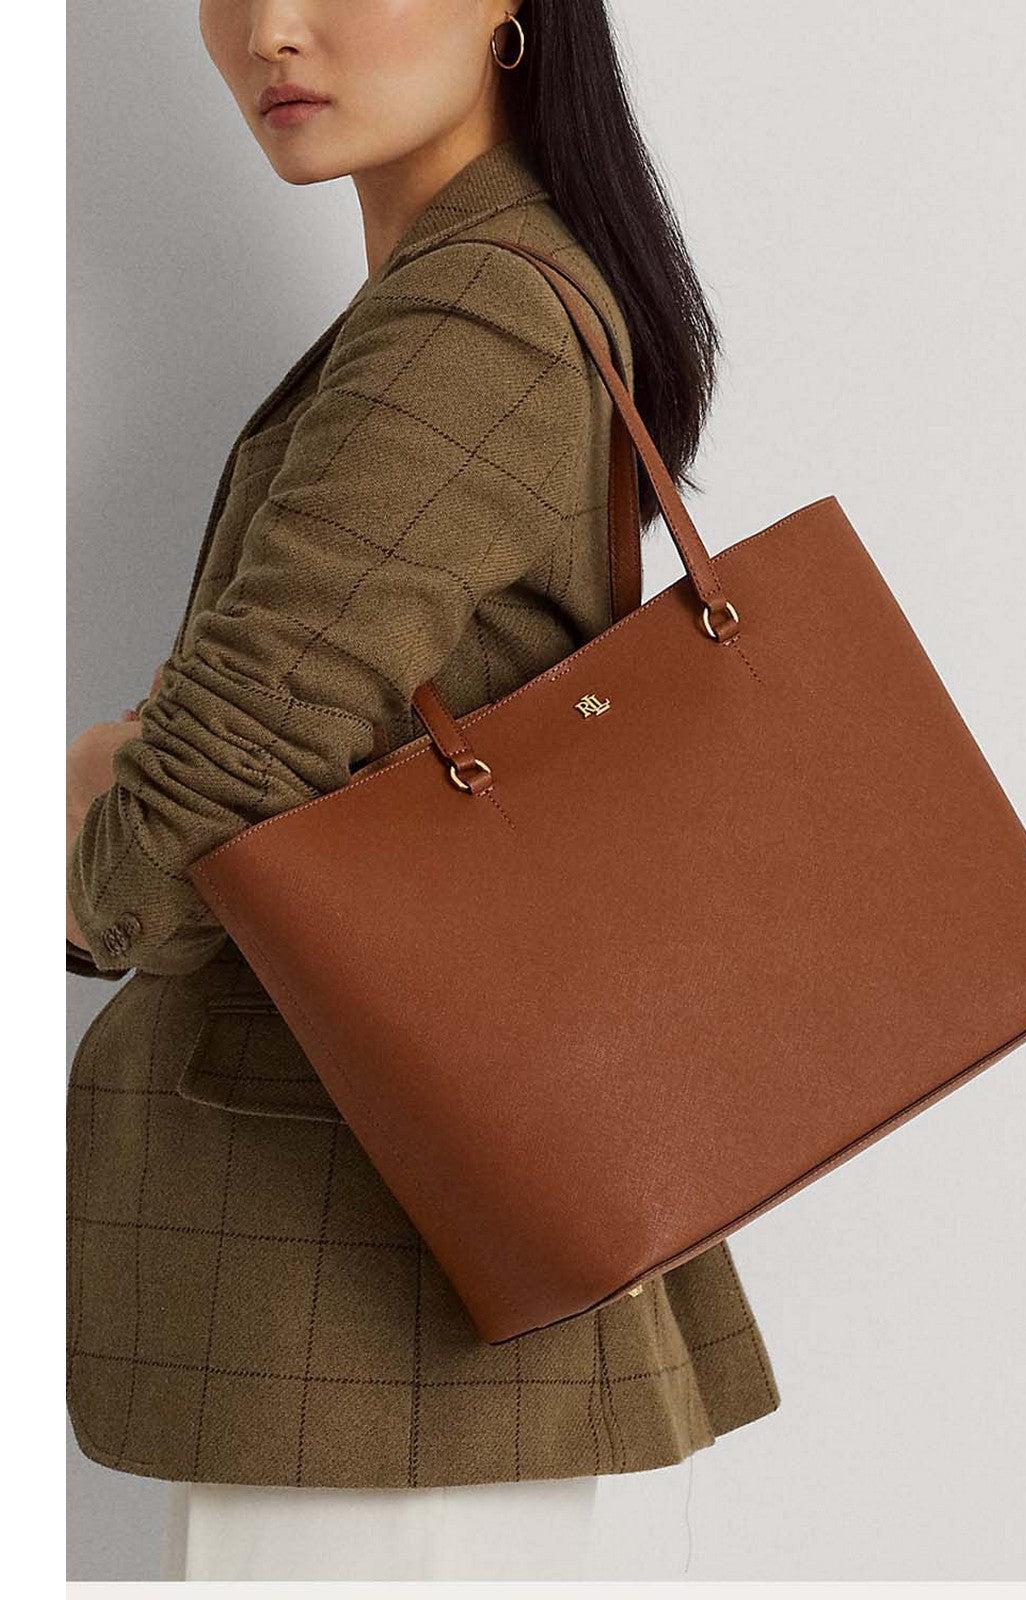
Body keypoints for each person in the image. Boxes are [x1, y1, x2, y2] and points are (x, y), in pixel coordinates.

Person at [66, 0, 780, 1580]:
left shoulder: (473, 314)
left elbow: (229, 765)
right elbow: (306, 719)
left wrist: (96, 842)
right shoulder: (474, 287)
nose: (274, 29)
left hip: (367, 1288)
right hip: (399, 1271)